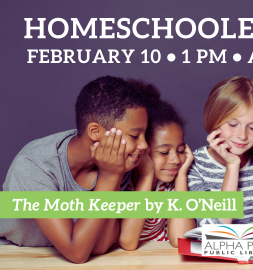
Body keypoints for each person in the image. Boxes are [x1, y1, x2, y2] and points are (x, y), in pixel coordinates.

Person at [0, 76, 149, 263]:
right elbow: (77, 252)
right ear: (95, 132)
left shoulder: (115, 162)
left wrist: (113, 175)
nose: (144, 145)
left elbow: (99, 246)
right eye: (135, 135)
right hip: (13, 254)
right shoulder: (33, 164)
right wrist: (110, 176)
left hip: (67, 257)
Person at [117, 80, 195, 249]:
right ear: (143, 150)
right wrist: (147, 175)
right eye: (164, 152)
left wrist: (181, 176)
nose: (175, 159)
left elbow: (182, 239)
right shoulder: (122, 183)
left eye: (180, 150)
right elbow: (128, 242)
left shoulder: (170, 184)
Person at [187, 76, 253, 226]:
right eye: (233, 124)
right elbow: (215, 229)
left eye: (252, 127)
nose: (242, 135)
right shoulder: (195, 165)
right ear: (214, 119)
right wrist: (232, 166)